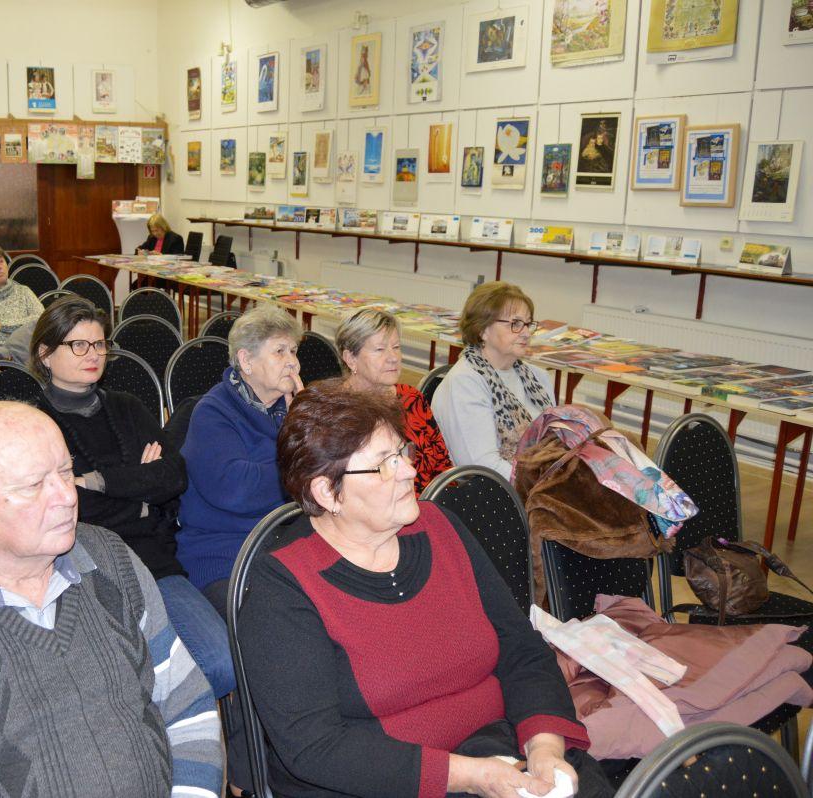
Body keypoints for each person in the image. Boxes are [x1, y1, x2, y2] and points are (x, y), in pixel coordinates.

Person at [238, 381, 612, 798]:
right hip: (384, 783)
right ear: (328, 492)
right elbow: (316, 746)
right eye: (384, 465)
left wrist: (544, 745)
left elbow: (522, 650)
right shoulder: (284, 586)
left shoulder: (439, 527)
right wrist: (472, 775)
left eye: (402, 452)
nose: (410, 471)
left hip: (501, 750)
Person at [0, 401, 223, 797]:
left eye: (65, 472)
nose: (66, 496)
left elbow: (188, 705)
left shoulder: (112, 560)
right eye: (33, 485)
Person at [30, 296, 235, 701]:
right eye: (78, 345)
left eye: (99, 344)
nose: (93, 354)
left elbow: (173, 477)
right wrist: (141, 497)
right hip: (78, 570)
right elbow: (63, 507)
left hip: (155, 563)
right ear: (45, 354)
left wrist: (95, 482)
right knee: (115, 682)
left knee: (220, 664)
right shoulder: (34, 424)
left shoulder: (128, 407)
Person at [176, 303, 303, 617]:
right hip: (225, 554)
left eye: (293, 351)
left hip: (284, 544)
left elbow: (325, 478)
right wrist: (298, 461)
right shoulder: (213, 412)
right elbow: (237, 489)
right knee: (283, 620)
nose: (293, 362)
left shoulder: (292, 411)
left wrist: (302, 426)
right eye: (279, 352)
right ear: (246, 361)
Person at [431, 281, 553, 480]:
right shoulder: (465, 383)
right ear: (483, 330)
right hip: (495, 490)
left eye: (528, 324)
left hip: (538, 482)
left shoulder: (538, 378)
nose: (526, 333)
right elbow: (481, 467)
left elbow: (557, 444)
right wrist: (540, 487)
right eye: (515, 324)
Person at [336, 308, 452, 492]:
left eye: (396, 347)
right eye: (380, 349)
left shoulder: (412, 399)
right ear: (350, 359)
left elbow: (443, 467)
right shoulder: (337, 413)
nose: (393, 358)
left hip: (430, 502)